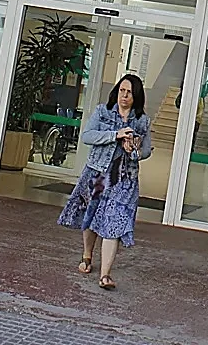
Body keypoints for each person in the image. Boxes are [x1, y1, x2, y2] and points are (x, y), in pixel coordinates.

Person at [57, 74, 151, 290]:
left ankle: (105, 275)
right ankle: (87, 254)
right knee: (91, 213)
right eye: (121, 91)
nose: (124, 96)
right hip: (99, 173)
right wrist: (115, 135)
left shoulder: (142, 121)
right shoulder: (103, 111)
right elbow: (87, 136)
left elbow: (146, 150)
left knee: (114, 223)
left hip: (125, 179)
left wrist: (135, 147)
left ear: (136, 96)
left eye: (129, 92)